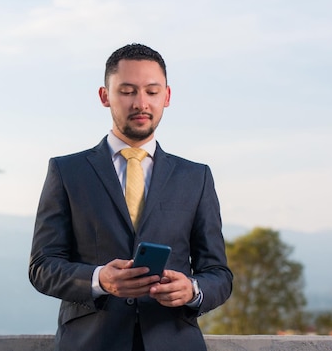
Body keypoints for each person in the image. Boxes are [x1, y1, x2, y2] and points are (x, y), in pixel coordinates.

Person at [28, 43, 233, 351]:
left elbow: (218, 274)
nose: (141, 103)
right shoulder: (66, 171)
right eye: (127, 91)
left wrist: (192, 290)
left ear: (167, 96)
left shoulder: (196, 177)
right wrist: (99, 280)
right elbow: (42, 266)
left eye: (152, 92)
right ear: (104, 96)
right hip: (90, 343)